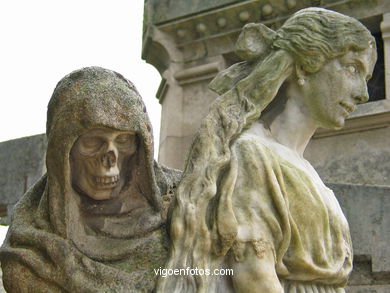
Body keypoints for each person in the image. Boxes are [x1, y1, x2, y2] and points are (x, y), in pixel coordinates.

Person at [158, 8, 376, 293]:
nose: (363, 93)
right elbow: (254, 276)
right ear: (304, 64)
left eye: (367, 76)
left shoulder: (305, 170)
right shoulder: (253, 153)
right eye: (352, 68)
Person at [0, 67, 181, 292]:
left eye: (124, 140)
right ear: (63, 151)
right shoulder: (31, 249)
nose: (110, 159)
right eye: (93, 142)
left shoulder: (187, 200)